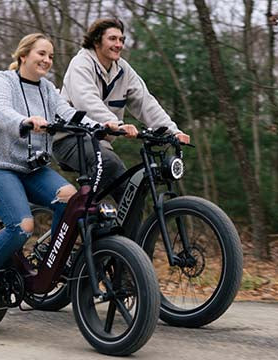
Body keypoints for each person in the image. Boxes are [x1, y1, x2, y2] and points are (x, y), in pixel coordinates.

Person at [0, 33, 109, 311]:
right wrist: (25, 121)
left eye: (50, 56)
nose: (46, 60)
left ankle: (50, 255)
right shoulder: (1, 81)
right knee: (23, 226)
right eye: (41, 54)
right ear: (23, 55)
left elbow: (68, 114)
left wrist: (103, 126)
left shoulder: (46, 89)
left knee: (71, 200)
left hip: (31, 169)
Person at [54, 18, 190, 237]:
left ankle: (127, 260)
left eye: (121, 39)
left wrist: (172, 131)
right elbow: (86, 101)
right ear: (97, 41)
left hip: (99, 143)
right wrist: (115, 123)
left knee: (131, 192)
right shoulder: (81, 64)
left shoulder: (123, 70)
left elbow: (146, 102)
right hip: (70, 139)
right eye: (112, 39)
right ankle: (84, 227)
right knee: (109, 163)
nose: (118, 44)